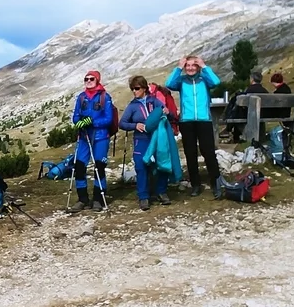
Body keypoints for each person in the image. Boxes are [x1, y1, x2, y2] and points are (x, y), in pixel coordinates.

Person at [166, 55, 223, 198]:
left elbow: (216, 82)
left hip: (204, 120)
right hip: (187, 121)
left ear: (197, 67)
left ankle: (216, 182)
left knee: (208, 152)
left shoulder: (204, 79)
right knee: (190, 154)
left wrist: (204, 66)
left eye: (193, 65)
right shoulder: (181, 81)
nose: (190, 68)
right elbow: (169, 83)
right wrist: (179, 67)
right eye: (188, 65)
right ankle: (196, 185)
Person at [119, 75, 169, 210]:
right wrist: (135, 126)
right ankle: (143, 197)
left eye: (137, 88)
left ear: (144, 88)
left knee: (160, 164)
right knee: (141, 167)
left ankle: (161, 192)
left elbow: (165, 110)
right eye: (132, 89)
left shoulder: (154, 101)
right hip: (140, 140)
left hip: (157, 139)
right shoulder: (132, 106)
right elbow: (122, 123)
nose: (134, 91)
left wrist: (165, 111)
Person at [68, 70, 115, 212]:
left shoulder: (105, 97)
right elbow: (75, 116)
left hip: (101, 137)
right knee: (80, 167)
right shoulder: (81, 97)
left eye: (91, 79)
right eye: (86, 79)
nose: (88, 81)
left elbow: (108, 119)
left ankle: (98, 200)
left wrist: (92, 121)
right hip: (84, 137)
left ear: (97, 80)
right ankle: (82, 199)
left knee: (99, 167)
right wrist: (79, 122)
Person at [228, 71, 269, 142]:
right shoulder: (264, 90)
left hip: (250, 115)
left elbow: (241, 104)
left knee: (236, 113)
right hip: (263, 114)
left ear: (252, 79)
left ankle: (235, 136)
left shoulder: (249, 90)